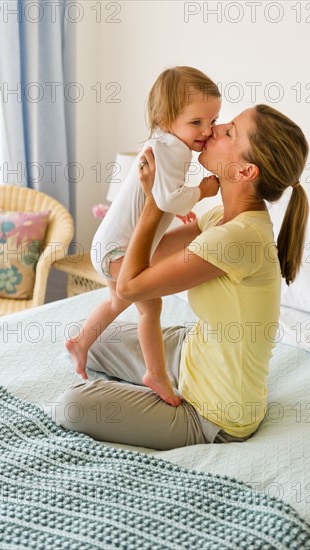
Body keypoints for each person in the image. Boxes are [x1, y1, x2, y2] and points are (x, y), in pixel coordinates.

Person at [56, 104, 309, 451]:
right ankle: (162, 373)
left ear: (247, 170)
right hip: (194, 355)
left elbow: (130, 286)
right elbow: (142, 254)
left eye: (230, 132)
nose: (215, 129)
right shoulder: (223, 217)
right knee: (94, 340)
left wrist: (154, 201)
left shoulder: (238, 240)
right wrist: (155, 190)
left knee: (72, 405)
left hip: (217, 412)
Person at [66, 67, 221, 407]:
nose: (207, 131)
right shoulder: (174, 151)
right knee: (151, 307)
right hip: (119, 249)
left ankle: (80, 343)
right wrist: (203, 192)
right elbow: (164, 198)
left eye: (212, 121)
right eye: (197, 122)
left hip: (112, 244)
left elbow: (161, 195)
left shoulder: (165, 144)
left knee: (116, 302)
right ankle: (156, 374)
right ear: (167, 118)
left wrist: (180, 207)